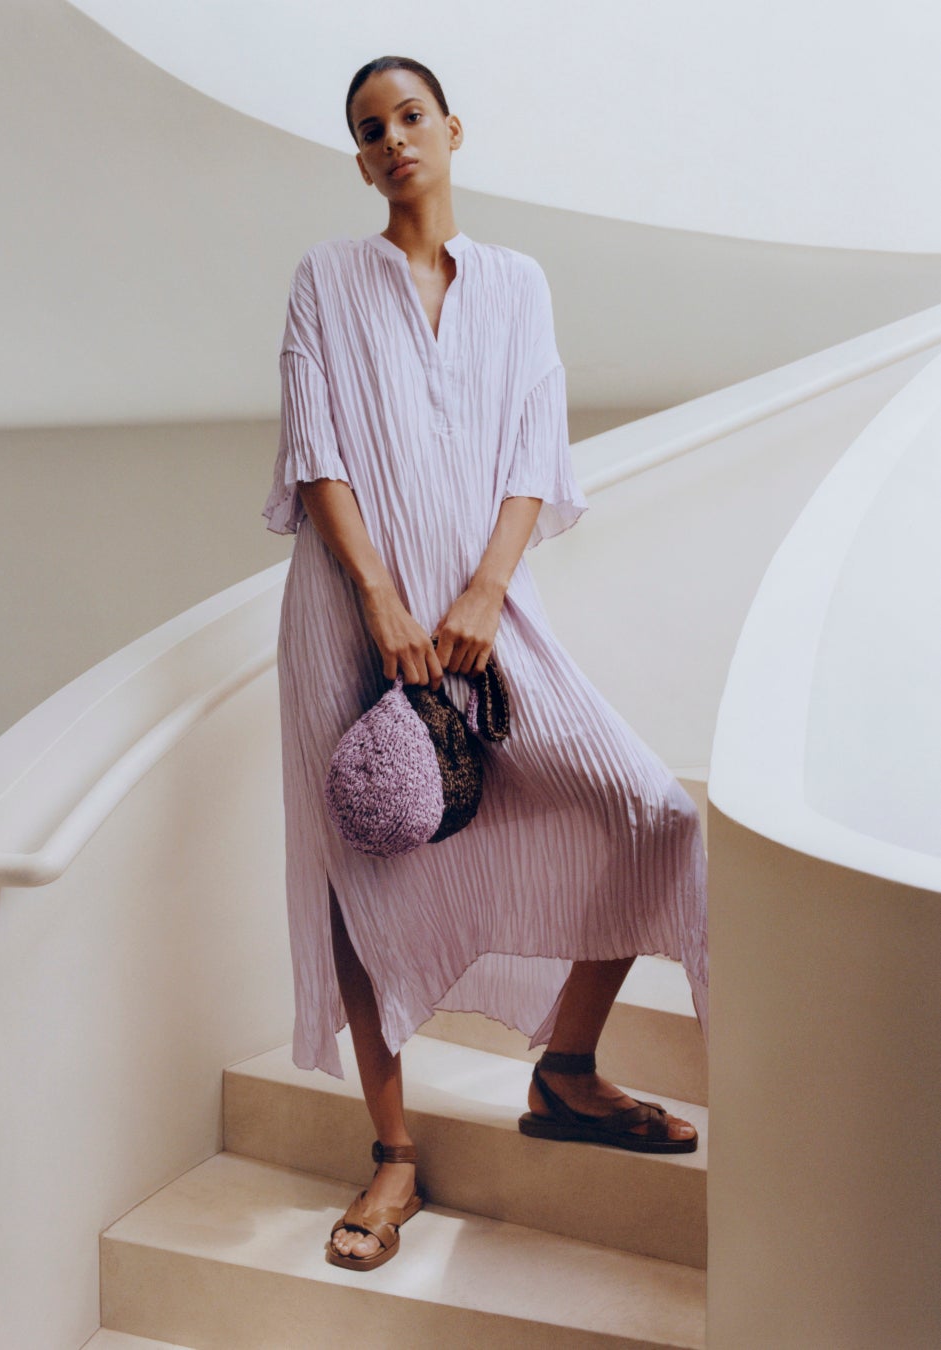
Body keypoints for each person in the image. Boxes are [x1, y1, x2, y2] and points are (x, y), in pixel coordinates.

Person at [262, 55, 708, 1273]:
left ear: (452, 131)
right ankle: (392, 1154)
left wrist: (482, 592)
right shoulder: (325, 277)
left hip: (484, 614)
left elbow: (531, 450)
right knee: (359, 871)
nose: (394, 139)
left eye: (411, 116)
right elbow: (316, 451)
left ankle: (566, 1070)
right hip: (347, 615)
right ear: (360, 160)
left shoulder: (516, 282)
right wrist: (380, 602)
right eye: (371, 129)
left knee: (651, 811)